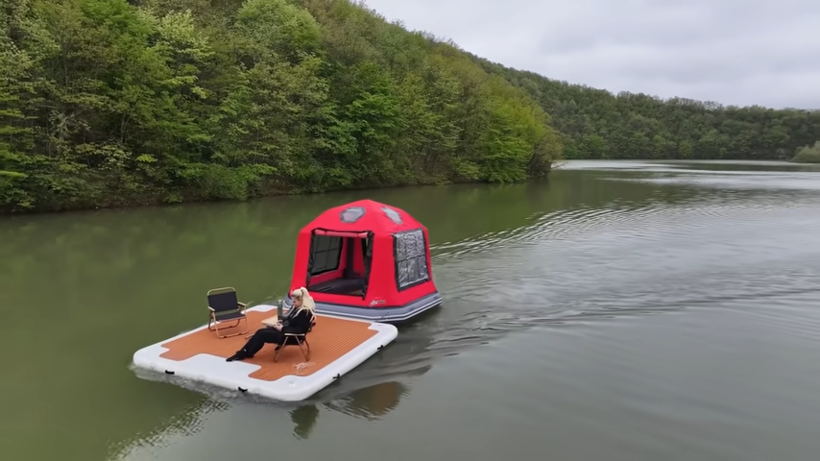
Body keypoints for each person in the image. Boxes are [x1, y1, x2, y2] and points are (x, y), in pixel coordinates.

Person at [226, 287, 316, 362]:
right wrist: (281, 323)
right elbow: (291, 320)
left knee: (262, 334)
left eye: (294, 302)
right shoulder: (297, 308)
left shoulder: (305, 312)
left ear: (301, 301)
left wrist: (282, 328)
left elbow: (301, 330)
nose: (293, 304)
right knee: (260, 331)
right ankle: (244, 352)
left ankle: (245, 353)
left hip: (291, 336)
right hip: (285, 331)